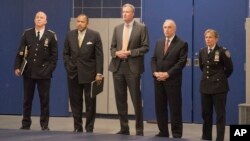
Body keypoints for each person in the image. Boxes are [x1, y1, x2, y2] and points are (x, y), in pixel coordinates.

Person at [108, 3, 149, 136]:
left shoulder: (141, 28)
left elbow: (145, 47)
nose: (124, 14)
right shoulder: (117, 28)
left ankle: (139, 129)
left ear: (133, 14)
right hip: (118, 67)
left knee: (136, 100)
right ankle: (124, 128)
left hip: (133, 68)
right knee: (120, 100)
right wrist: (116, 53)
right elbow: (112, 48)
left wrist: (130, 52)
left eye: (127, 12)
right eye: (123, 12)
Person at [14, 11, 58, 131]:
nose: (39, 19)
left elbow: (54, 57)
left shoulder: (51, 35)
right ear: (34, 20)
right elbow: (20, 51)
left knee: (44, 101)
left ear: (46, 21)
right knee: (27, 100)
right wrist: (17, 66)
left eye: (41, 17)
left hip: (44, 73)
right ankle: (25, 124)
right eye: (37, 17)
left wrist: (49, 70)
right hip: (29, 72)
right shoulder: (27, 33)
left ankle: (44, 125)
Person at [63, 14, 104, 133]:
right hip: (73, 74)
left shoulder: (94, 35)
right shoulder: (69, 35)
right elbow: (65, 53)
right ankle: (77, 127)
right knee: (75, 101)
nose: (80, 23)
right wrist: (68, 66)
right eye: (78, 21)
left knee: (90, 102)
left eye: (82, 21)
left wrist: (99, 73)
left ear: (87, 23)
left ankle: (89, 127)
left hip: (90, 74)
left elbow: (99, 56)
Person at [151, 19, 188, 138]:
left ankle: (176, 133)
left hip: (172, 81)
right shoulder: (159, 42)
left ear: (174, 29)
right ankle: (163, 132)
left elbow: (181, 62)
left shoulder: (182, 43)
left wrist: (167, 74)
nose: (166, 29)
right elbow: (153, 59)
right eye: (165, 27)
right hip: (158, 81)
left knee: (175, 108)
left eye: (169, 27)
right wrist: (155, 72)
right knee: (160, 107)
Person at [199, 29, 233, 141]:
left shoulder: (223, 51)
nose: (208, 39)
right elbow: (202, 67)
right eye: (206, 37)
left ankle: (219, 138)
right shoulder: (202, 51)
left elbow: (229, 69)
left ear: (216, 39)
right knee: (206, 115)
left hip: (219, 88)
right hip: (205, 88)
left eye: (210, 37)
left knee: (220, 115)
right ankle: (206, 137)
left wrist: (220, 79)